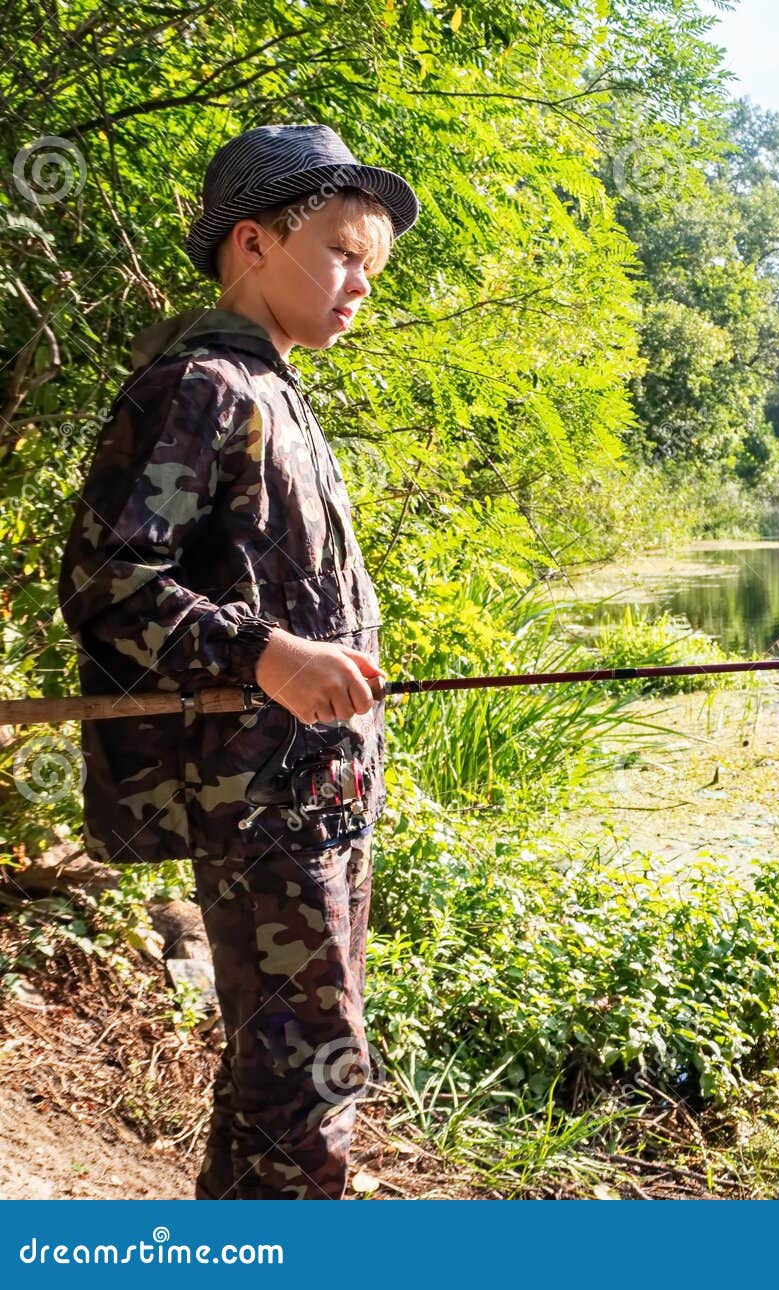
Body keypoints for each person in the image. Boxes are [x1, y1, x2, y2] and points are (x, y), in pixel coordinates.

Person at [56, 123, 419, 1199]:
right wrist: (265, 655)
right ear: (254, 244)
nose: (362, 284)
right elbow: (109, 581)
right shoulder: (201, 386)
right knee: (305, 1083)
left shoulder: (276, 388)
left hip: (315, 798)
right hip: (260, 807)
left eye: (370, 264)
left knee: (287, 1078)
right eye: (343, 254)